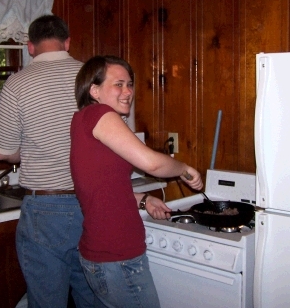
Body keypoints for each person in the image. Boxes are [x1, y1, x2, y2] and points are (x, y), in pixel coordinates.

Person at [70, 55, 204, 308]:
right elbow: (151, 163)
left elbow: (100, 189)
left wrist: (144, 199)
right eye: (118, 84)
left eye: (129, 84)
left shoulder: (85, 121)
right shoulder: (100, 114)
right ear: (94, 90)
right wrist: (184, 169)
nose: (128, 91)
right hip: (116, 256)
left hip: (102, 253)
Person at [0, 15, 96, 308]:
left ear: (30, 47)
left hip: (46, 210)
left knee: (48, 300)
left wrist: (31, 149)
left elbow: (2, 152)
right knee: (92, 296)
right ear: (67, 42)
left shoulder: (18, 84)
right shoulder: (92, 79)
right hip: (92, 204)